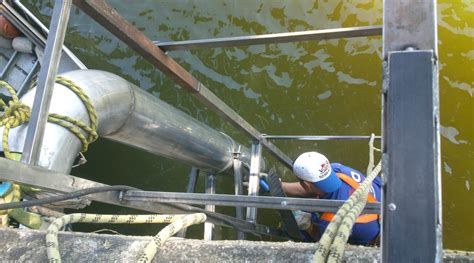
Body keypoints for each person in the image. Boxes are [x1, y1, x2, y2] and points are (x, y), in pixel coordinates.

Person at [282, 151, 381, 245]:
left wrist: (307, 226)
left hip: (374, 235)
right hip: (381, 198)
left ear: (306, 185)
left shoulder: (332, 220)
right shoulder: (337, 169)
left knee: (300, 229)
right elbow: (310, 186)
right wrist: (282, 186)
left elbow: (322, 241)